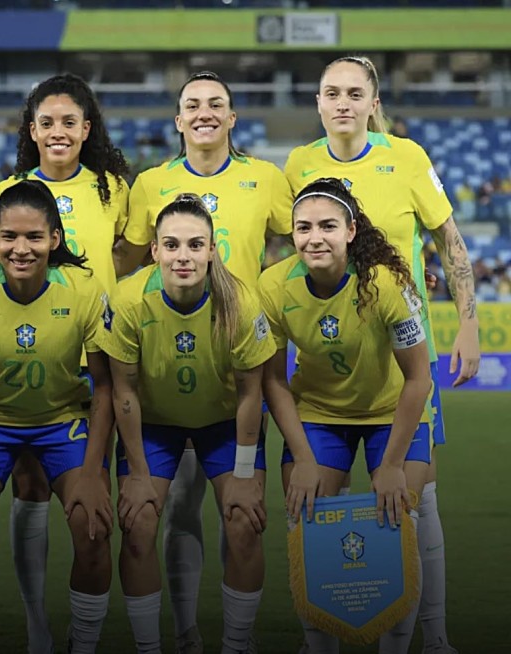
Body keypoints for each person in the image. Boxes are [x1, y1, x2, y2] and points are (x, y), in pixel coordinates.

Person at [284, 56, 479, 654]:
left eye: (354, 93)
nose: (342, 102)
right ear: (318, 103)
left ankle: (433, 635)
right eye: (331, 93)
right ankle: (328, 630)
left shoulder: (407, 157)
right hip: (329, 355)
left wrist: (469, 324)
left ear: (373, 103)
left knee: (414, 501)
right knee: (318, 506)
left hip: (404, 353)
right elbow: (301, 247)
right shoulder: (299, 164)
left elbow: (449, 241)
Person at [119, 70, 292, 654]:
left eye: (216, 104)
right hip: (164, 372)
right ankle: (184, 631)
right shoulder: (151, 184)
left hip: (237, 364)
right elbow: (128, 264)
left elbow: (306, 240)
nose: (204, 113)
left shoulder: (266, 178)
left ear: (233, 117)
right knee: (174, 509)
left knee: (239, 511)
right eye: (192, 105)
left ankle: (234, 640)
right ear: (177, 119)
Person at [0, 74, 136, 654]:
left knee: (95, 493)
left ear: (87, 129)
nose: (58, 132)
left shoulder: (114, 189)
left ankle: (86, 631)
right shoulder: (8, 192)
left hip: (97, 356)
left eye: (70, 121)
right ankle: (36, 622)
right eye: (47, 122)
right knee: (30, 485)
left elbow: (130, 257)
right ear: (32, 130)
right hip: (30, 357)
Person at [0, 180, 114, 654]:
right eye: (9, 237)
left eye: (34, 237)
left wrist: (94, 472)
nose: (21, 249)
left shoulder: (83, 290)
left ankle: (83, 644)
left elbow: (105, 386)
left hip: (61, 421)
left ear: (54, 239)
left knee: (93, 526)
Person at [259, 177, 433, 654]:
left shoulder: (386, 283)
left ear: (351, 231)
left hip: (389, 413)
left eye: (328, 226)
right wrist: (303, 458)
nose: (314, 237)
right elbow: (273, 380)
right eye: (303, 228)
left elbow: (418, 378)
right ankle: (320, 646)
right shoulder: (272, 286)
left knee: (397, 520)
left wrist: (391, 465)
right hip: (319, 414)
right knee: (307, 519)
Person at [110, 194, 273, 654]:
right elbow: (123, 390)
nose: (183, 256)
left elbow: (251, 393)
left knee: (244, 522)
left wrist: (244, 474)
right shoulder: (128, 299)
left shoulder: (241, 302)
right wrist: (137, 472)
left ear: (212, 250)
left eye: (195, 245)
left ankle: (236, 645)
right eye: (172, 245)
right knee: (138, 524)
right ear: (154, 250)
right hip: (155, 424)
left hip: (223, 423)